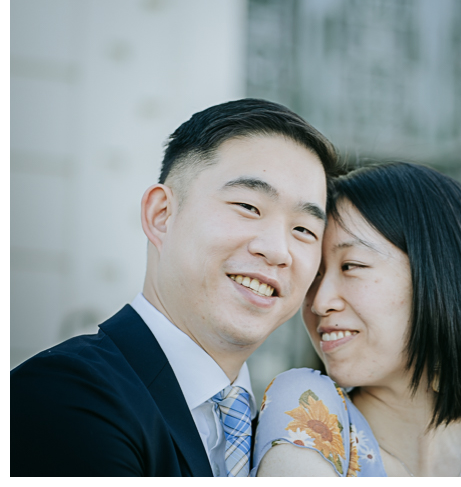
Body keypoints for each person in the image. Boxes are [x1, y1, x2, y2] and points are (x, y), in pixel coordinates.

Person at [10, 98, 340, 477]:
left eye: (303, 230)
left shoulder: (282, 438)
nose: (278, 250)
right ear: (161, 215)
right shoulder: (63, 397)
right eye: (248, 206)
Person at [251, 162, 461, 477]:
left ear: (440, 278)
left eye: (351, 266)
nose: (319, 302)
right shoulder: (305, 407)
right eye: (316, 274)